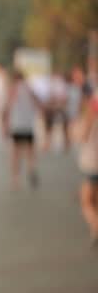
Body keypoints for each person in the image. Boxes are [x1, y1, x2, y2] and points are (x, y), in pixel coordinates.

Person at [3, 70, 43, 191]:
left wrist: (5, 124)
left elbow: (7, 107)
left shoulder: (12, 89)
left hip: (17, 125)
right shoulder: (30, 89)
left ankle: (15, 179)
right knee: (30, 152)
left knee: (15, 154)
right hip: (28, 125)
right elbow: (39, 104)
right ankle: (31, 169)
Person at [78, 91, 98, 246]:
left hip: (93, 160)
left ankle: (96, 227)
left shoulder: (95, 103)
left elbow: (84, 134)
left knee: (85, 201)